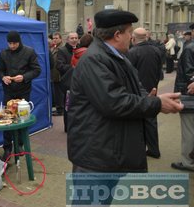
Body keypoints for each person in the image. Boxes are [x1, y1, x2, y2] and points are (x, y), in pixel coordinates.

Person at [67, 9, 183, 174]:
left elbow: (133, 87)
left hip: (107, 150)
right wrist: (156, 103)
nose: (131, 37)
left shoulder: (116, 56)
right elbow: (114, 102)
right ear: (117, 35)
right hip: (95, 157)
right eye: (129, 32)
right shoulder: (95, 59)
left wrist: (148, 98)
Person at [0, 31, 41, 161]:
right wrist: (3, 77)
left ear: (19, 41)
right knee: (7, 118)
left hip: (23, 91)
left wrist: (24, 77)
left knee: (22, 118)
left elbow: (37, 70)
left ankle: (20, 145)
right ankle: (7, 148)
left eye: (14, 43)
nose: (12, 46)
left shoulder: (29, 52)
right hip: (9, 91)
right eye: (10, 43)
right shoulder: (3, 53)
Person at [128, 27, 163, 158]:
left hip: (138, 90)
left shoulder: (132, 52)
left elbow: (129, 74)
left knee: (138, 120)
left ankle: (140, 149)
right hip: (153, 88)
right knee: (151, 119)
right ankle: (154, 148)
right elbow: (160, 70)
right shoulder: (156, 50)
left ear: (133, 38)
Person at [172, 23, 194, 172]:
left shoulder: (190, 48)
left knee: (189, 130)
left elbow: (188, 73)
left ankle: (188, 162)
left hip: (189, 95)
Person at [56, 32, 79, 132]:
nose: (74, 40)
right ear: (67, 40)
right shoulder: (62, 50)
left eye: (76, 38)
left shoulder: (80, 49)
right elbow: (59, 66)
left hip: (79, 81)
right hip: (68, 82)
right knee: (68, 105)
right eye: (72, 38)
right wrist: (72, 67)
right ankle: (68, 127)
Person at [50, 32, 64, 116]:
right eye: (53, 38)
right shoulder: (54, 48)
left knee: (59, 93)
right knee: (56, 92)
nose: (54, 40)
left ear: (60, 39)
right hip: (54, 74)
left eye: (56, 38)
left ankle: (60, 109)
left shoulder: (61, 48)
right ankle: (58, 108)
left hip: (59, 74)